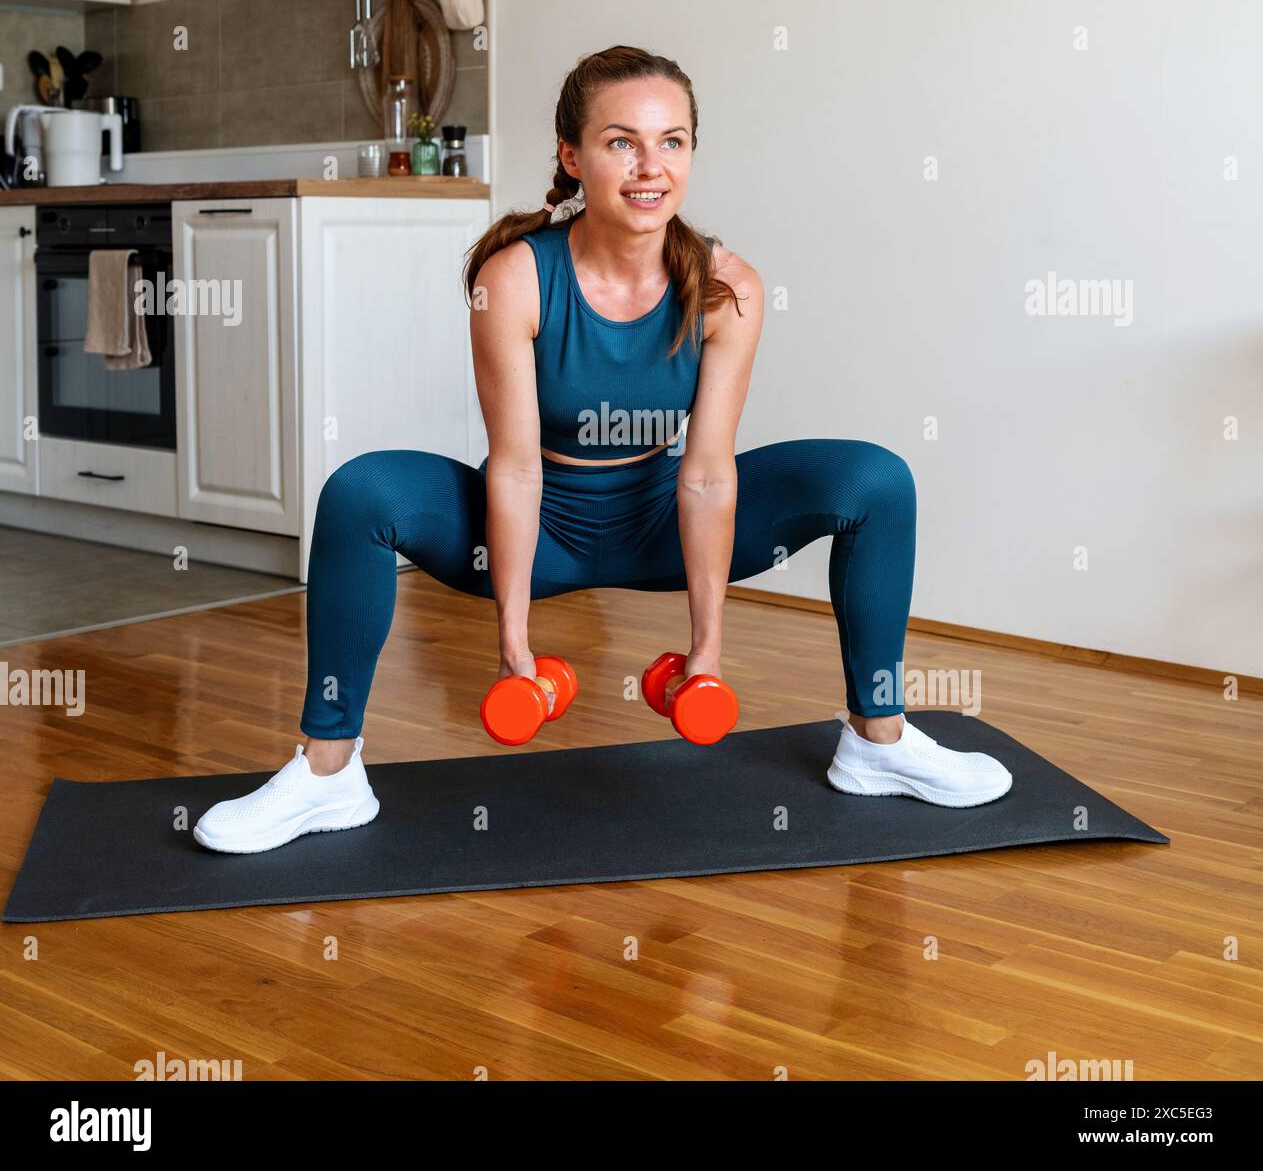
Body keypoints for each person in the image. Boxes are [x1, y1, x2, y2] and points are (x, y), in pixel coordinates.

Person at [194, 45, 1011, 854]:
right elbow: (514, 467)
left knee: (875, 479)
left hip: (659, 520)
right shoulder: (514, 277)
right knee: (361, 492)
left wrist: (706, 654)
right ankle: (328, 774)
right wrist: (514, 648)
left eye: (672, 141)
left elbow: (706, 472)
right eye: (620, 141)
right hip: (534, 531)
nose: (648, 165)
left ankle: (877, 742)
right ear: (572, 156)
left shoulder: (726, 287)